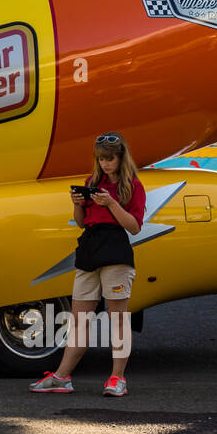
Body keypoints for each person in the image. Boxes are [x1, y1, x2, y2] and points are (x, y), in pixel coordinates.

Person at [30, 132, 145, 396]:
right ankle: (62, 377)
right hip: (89, 249)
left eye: (110, 159)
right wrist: (78, 205)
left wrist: (112, 203)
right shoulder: (92, 182)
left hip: (116, 250)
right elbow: (82, 222)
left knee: (117, 320)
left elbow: (135, 227)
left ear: (121, 158)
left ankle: (117, 379)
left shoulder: (133, 186)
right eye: (101, 159)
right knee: (80, 320)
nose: (105, 164)